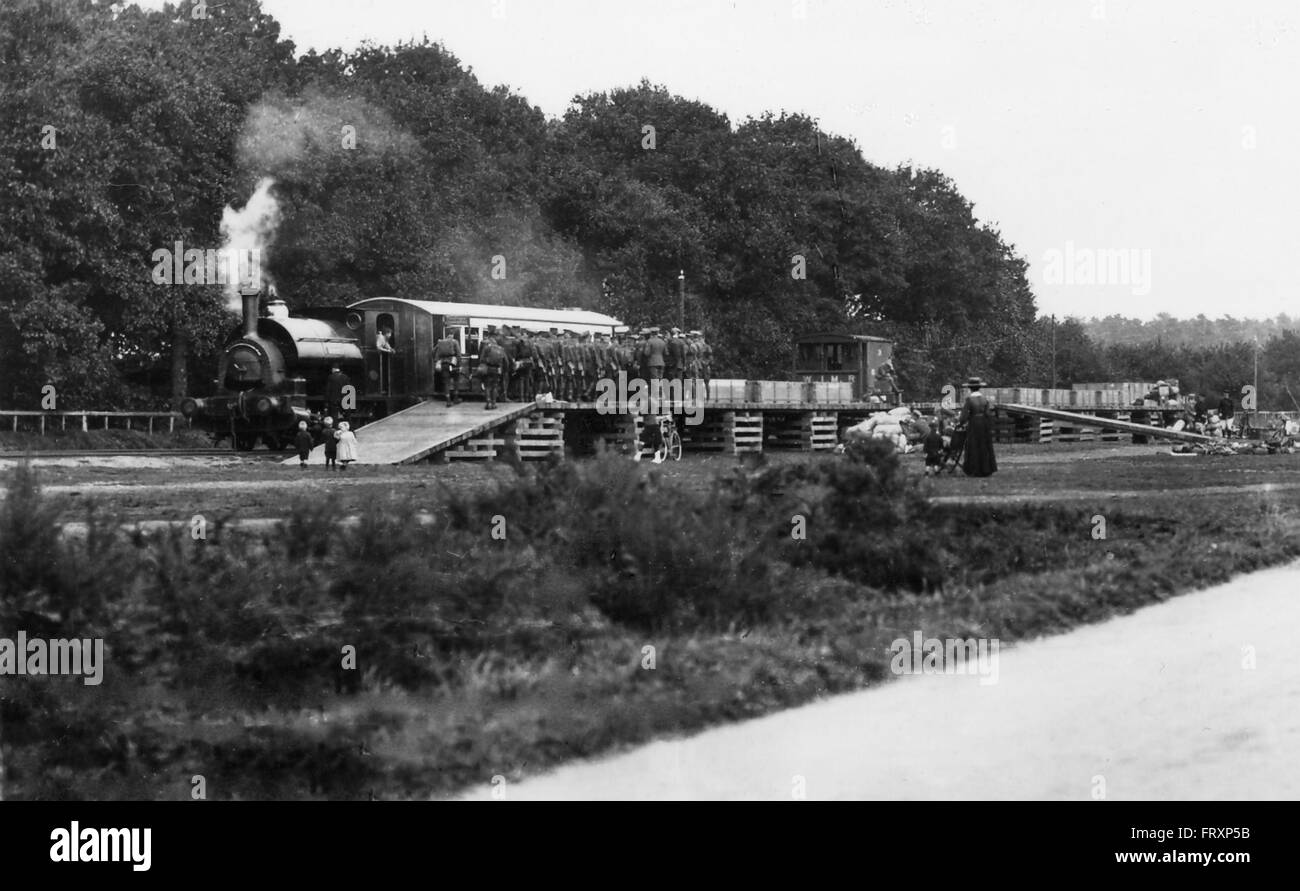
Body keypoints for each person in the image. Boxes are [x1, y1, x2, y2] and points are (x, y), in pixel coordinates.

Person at [957, 377, 997, 477]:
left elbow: (964, 416)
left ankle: (974, 469)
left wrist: (961, 423)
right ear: (979, 388)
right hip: (984, 424)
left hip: (974, 424)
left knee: (974, 446)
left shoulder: (969, 400)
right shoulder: (984, 399)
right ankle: (986, 469)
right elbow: (988, 414)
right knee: (984, 445)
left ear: (970, 388)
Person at [432, 331, 462, 406]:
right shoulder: (455, 342)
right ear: (452, 335)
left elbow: (433, 352)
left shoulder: (440, 343)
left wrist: (437, 360)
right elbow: (459, 354)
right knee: (456, 381)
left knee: (446, 382)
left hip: (444, 364)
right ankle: (455, 398)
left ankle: (448, 401)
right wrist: (459, 365)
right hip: (453, 364)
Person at [479, 332, 507, 410]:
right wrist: (505, 371)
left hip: (488, 369)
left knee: (487, 387)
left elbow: (481, 359)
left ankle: (489, 403)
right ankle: (494, 403)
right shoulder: (501, 349)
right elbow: (505, 361)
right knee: (495, 387)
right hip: (497, 370)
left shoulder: (487, 348)